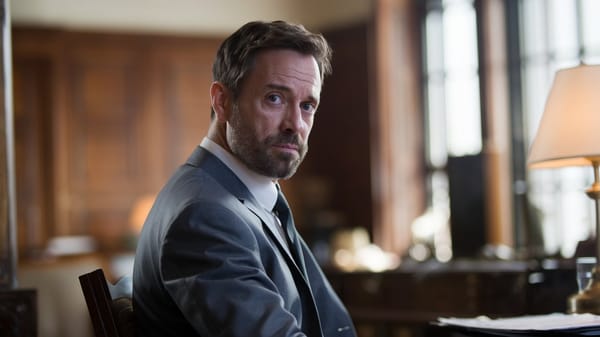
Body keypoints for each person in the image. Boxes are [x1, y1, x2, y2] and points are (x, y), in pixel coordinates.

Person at [133, 20, 357, 337]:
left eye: (307, 105)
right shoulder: (203, 215)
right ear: (223, 101)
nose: (296, 124)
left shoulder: (239, 196)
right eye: (275, 98)